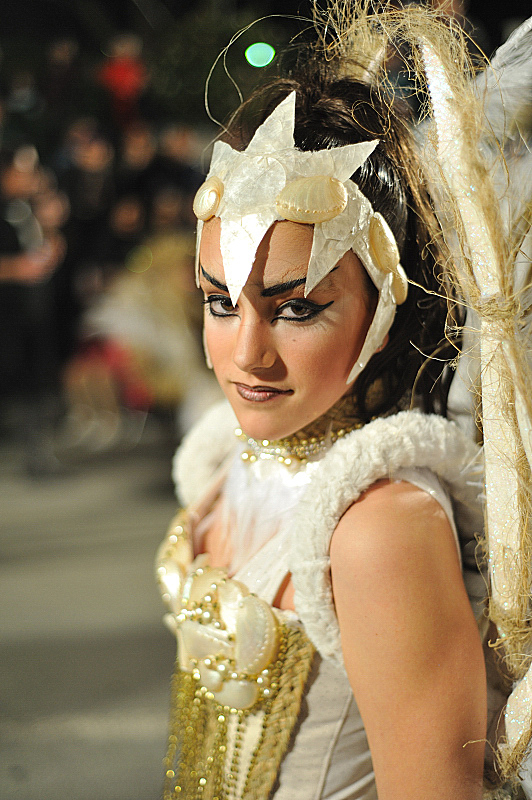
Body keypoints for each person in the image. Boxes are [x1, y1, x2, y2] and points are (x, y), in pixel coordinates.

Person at [156, 3, 532, 798]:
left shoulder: (380, 527)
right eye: (220, 302)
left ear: (384, 312)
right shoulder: (233, 459)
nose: (247, 355)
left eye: (297, 308)